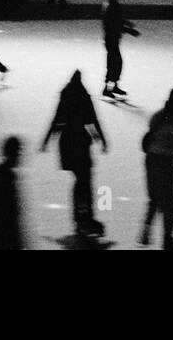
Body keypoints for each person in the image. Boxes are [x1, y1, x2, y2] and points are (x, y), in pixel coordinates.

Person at [40, 70, 107, 239]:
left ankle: (80, 218)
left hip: (67, 144)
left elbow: (56, 121)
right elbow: (93, 120)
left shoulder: (66, 97)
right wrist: (101, 139)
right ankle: (85, 217)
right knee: (85, 180)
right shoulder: (83, 96)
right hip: (80, 143)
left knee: (81, 180)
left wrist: (47, 141)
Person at [139, 88, 173, 249]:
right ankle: (167, 240)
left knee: (154, 198)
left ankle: (145, 232)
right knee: (169, 205)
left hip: (151, 160)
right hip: (165, 163)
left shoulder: (158, 115)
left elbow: (151, 132)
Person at [101, 0, 138, 98]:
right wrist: (128, 29)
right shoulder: (112, 6)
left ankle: (112, 86)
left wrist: (127, 24)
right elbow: (114, 23)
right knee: (115, 63)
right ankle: (108, 88)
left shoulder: (109, 5)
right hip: (112, 38)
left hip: (111, 38)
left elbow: (117, 20)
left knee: (114, 63)